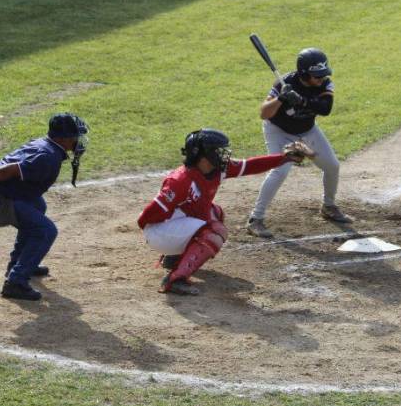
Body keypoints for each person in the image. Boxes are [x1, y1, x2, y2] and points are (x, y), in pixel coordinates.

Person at [137, 129, 311, 295]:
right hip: (158, 232)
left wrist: (284, 158)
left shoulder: (217, 170)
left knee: (214, 213)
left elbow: (250, 165)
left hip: (171, 228)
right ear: (204, 155)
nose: (223, 155)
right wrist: (161, 230)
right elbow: (150, 214)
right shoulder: (180, 181)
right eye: (218, 151)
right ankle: (175, 280)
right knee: (213, 231)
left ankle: (174, 258)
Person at [0, 113, 89, 300]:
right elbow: (7, 169)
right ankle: (15, 282)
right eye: (75, 136)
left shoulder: (44, 145)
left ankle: (20, 263)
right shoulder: (47, 157)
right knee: (46, 230)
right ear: (63, 139)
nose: (79, 141)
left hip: (4, 192)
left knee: (38, 205)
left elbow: (7, 160)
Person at [246, 48, 352, 239]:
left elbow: (325, 108)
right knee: (281, 170)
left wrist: (301, 100)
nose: (321, 78)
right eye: (316, 75)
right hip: (279, 132)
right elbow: (264, 113)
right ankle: (256, 219)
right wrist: (281, 98)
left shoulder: (325, 83)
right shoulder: (284, 83)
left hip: (308, 130)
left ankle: (328, 206)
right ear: (304, 73)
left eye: (322, 74)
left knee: (332, 166)